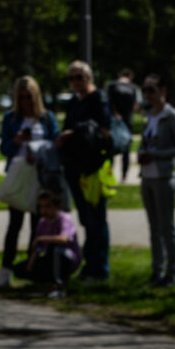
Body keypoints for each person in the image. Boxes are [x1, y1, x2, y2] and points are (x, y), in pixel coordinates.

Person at [0, 76, 59, 289]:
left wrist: (39, 151)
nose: (25, 102)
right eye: (21, 98)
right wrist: (16, 141)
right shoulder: (11, 118)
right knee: (14, 225)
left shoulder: (47, 119)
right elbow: (3, 148)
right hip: (18, 175)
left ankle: (33, 271)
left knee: (37, 226)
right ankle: (5, 272)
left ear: (36, 96)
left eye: (29, 97)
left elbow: (55, 146)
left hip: (40, 177)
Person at [56, 60, 112, 282]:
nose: (75, 82)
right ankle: (90, 265)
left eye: (79, 77)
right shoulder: (73, 102)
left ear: (89, 77)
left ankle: (100, 268)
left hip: (93, 168)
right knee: (87, 219)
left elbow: (102, 129)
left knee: (97, 218)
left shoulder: (99, 98)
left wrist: (72, 133)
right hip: (75, 167)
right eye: (71, 78)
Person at [137, 73, 175, 287]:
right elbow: (145, 142)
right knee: (153, 227)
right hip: (147, 177)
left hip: (164, 176)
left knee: (167, 227)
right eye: (145, 90)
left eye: (152, 90)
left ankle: (171, 273)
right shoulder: (149, 116)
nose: (148, 95)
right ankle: (156, 270)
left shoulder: (172, 116)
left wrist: (155, 155)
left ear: (163, 91)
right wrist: (141, 153)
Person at [13, 190, 82, 298]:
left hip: (67, 258)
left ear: (57, 206)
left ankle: (59, 285)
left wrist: (42, 239)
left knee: (55, 248)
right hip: (50, 258)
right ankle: (47, 280)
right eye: (41, 207)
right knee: (20, 268)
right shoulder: (42, 222)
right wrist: (32, 261)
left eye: (47, 206)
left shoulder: (64, 219)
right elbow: (38, 247)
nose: (43, 210)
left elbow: (64, 239)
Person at [107, 69, 140, 180]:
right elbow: (136, 106)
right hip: (127, 120)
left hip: (113, 120)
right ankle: (124, 174)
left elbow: (107, 102)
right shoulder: (133, 87)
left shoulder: (112, 85)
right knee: (126, 149)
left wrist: (115, 113)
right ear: (130, 77)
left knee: (110, 147)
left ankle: (110, 172)